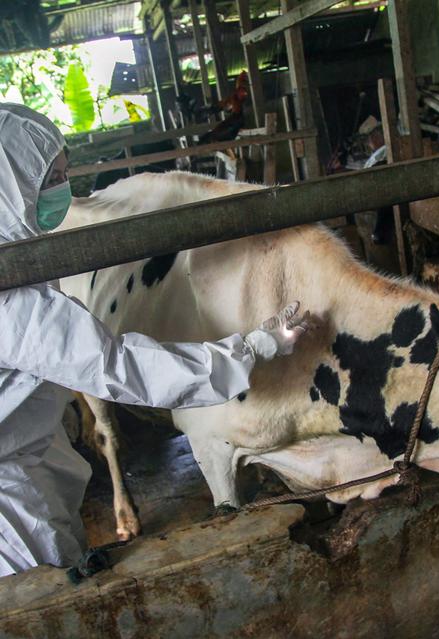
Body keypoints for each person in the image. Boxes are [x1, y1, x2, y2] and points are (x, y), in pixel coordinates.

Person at [0, 103, 310, 577]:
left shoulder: (16, 258)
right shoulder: (11, 300)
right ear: (10, 187)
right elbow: (117, 367)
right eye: (53, 177)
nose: (66, 188)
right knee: (48, 594)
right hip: (11, 502)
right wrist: (252, 348)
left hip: (28, 460)